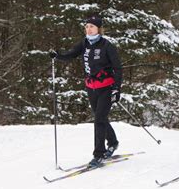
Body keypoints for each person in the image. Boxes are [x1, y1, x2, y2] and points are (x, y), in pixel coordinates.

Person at [49, 15, 123, 168]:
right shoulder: (84, 43)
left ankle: (99, 154)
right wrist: (57, 56)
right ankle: (113, 142)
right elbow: (71, 54)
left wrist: (116, 88)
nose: (88, 29)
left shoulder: (107, 46)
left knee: (99, 120)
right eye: (87, 26)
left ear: (99, 29)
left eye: (92, 26)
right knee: (99, 117)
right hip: (91, 87)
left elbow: (118, 68)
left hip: (106, 88)